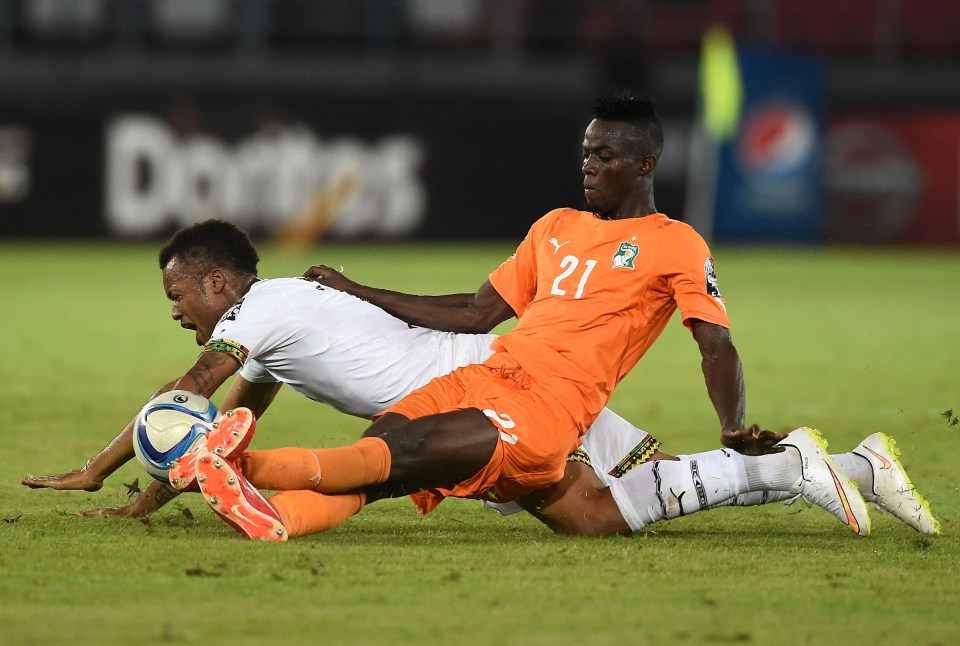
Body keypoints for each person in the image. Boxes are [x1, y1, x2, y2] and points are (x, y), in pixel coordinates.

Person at [169, 95, 927, 541]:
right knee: (582, 513)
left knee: (409, 455)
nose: (588, 165)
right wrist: (357, 290)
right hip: (489, 370)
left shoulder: (674, 243)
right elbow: (473, 312)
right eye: (586, 153)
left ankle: (242, 468)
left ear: (645, 165)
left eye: (604, 156)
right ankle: (847, 466)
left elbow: (716, 344)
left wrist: (732, 421)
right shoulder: (555, 226)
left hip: (553, 407)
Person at [20, 218, 938, 536]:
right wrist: (139, 500)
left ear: (220, 283)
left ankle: (803, 467)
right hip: (480, 395)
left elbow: (185, 404)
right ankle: (842, 467)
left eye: (179, 292)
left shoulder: (253, 313)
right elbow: (215, 424)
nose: (176, 307)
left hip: (496, 390)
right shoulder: (270, 325)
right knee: (599, 514)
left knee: (613, 502)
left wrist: (101, 472)